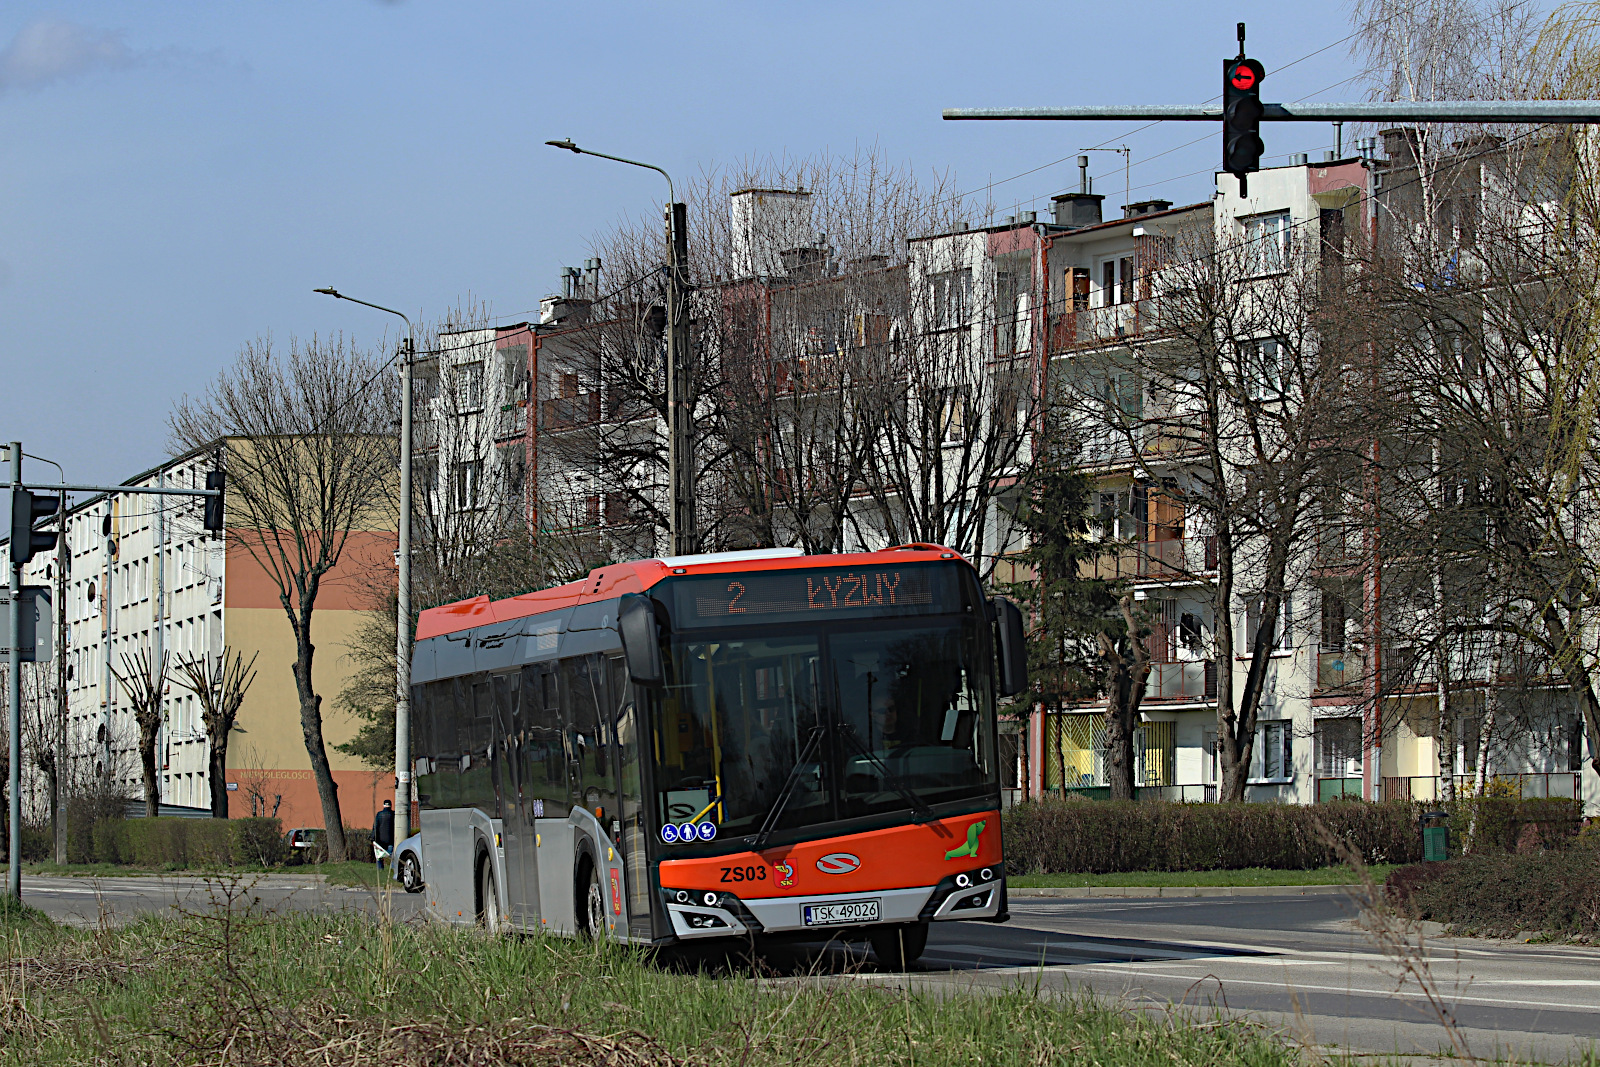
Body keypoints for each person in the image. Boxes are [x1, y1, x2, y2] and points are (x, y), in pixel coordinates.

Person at [373, 799, 395, 869]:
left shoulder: (379, 814)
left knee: (379, 856)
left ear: (383, 805)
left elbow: (375, 827)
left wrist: (373, 837)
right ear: (391, 805)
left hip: (380, 840)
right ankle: (392, 869)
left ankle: (380, 868)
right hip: (391, 839)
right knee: (392, 855)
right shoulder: (394, 814)